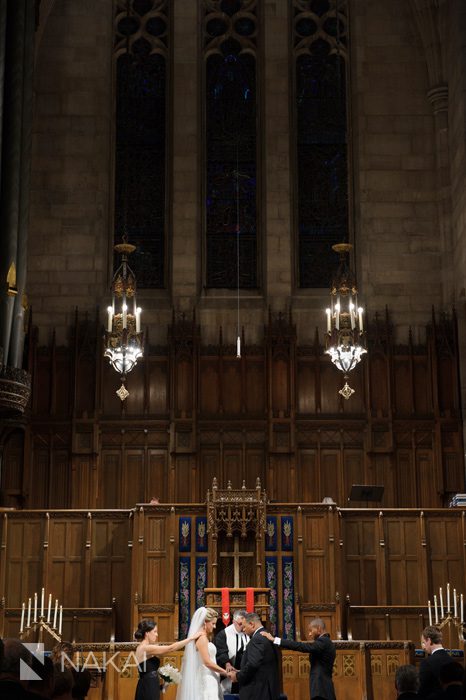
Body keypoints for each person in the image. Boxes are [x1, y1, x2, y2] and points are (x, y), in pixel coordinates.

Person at [262, 617, 335, 700]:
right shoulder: (326, 641)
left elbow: (302, 646)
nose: (310, 634)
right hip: (323, 688)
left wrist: (275, 639)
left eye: (311, 631)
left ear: (319, 629)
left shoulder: (323, 642)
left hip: (321, 689)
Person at [134, 618, 201, 700]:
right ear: (147, 633)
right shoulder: (145, 648)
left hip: (150, 685)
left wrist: (166, 680)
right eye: (154, 631)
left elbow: (148, 672)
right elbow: (171, 648)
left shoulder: (143, 647)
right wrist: (191, 638)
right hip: (148, 686)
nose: (157, 634)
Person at [176, 606, 228, 700]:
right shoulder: (202, 638)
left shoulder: (204, 637)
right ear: (205, 622)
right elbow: (207, 662)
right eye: (213, 623)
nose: (215, 626)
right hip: (206, 678)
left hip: (212, 675)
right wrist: (225, 672)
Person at [228, 611, 280, 700]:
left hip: (258, 692)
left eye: (244, 627)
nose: (243, 630)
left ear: (252, 624)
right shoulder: (267, 635)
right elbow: (262, 665)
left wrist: (237, 676)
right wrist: (241, 670)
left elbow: (253, 664)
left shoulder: (257, 639)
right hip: (267, 690)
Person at [214, 609, 248, 694]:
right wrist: (227, 663)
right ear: (233, 621)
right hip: (230, 674)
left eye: (244, 624)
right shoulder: (224, 634)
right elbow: (221, 650)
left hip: (246, 673)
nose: (243, 627)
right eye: (240, 624)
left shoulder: (249, 632)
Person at [418, 626, 452, 700]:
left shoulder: (426, 663)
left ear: (429, 641)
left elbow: (422, 690)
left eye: (423, 642)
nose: (423, 647)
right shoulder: (452, 660)